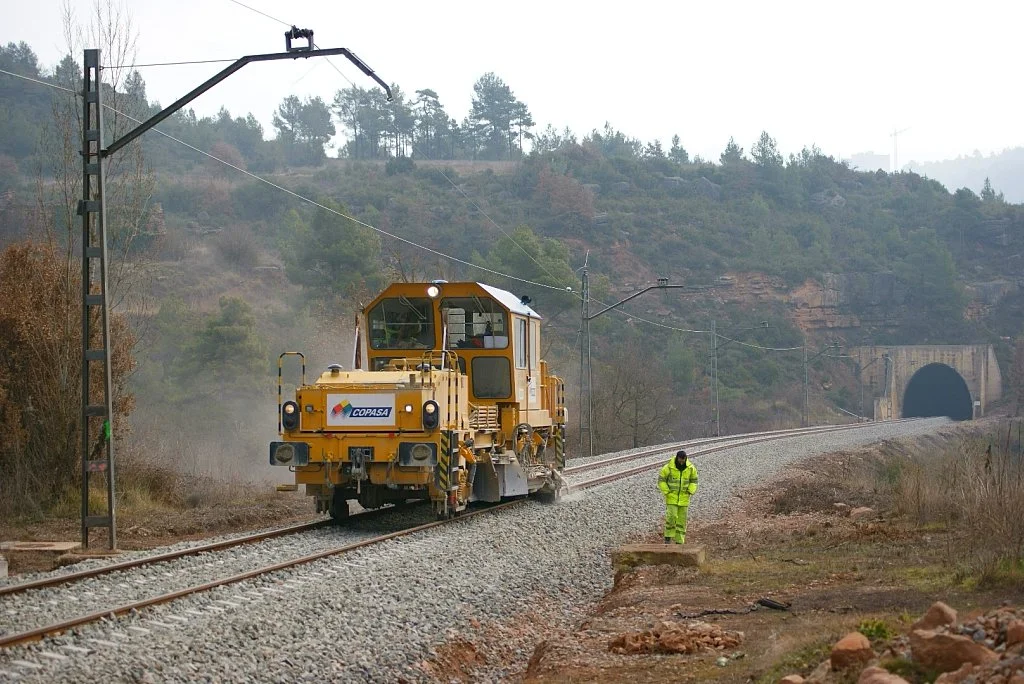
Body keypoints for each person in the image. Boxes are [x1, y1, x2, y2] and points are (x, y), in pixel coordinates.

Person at [657, 449, 698, 544]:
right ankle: (668, 537)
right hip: (671, 497)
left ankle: (679, 541)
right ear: (677, 458)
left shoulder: (691, 468)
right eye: (680, 460)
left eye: (683, 460)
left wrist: (690, 490)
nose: (681, 462)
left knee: (682, 520)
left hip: (684, 498)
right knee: (671, 517)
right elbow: (661, 480)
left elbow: (694, 480)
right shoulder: (668, 467)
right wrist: (666, 491)